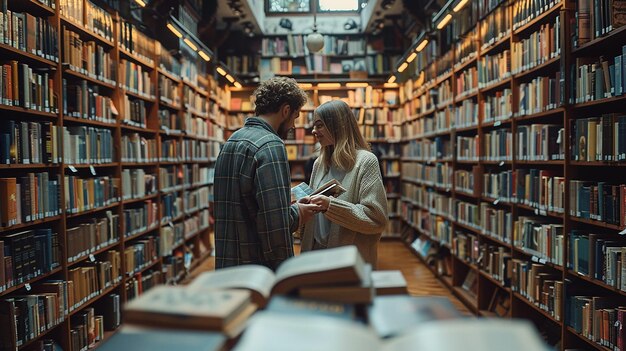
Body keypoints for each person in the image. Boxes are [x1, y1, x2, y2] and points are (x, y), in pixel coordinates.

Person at [213, 77, 321, 270]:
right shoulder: (271, 145)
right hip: (258, 268)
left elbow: (245, 202)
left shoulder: (232, 140)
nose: (294, 126)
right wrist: (299, 213)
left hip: (228, 264)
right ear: (285, 110)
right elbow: (275, 226)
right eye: (295, 117)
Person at [300, 99, 388, 267]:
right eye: (314, 125)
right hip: (315, 254)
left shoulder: (366, 162)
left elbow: (376, 219)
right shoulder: (320, 163)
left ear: (336, 125)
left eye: (319, 125)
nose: (313, 131)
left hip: (348, 260)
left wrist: (330, 206)